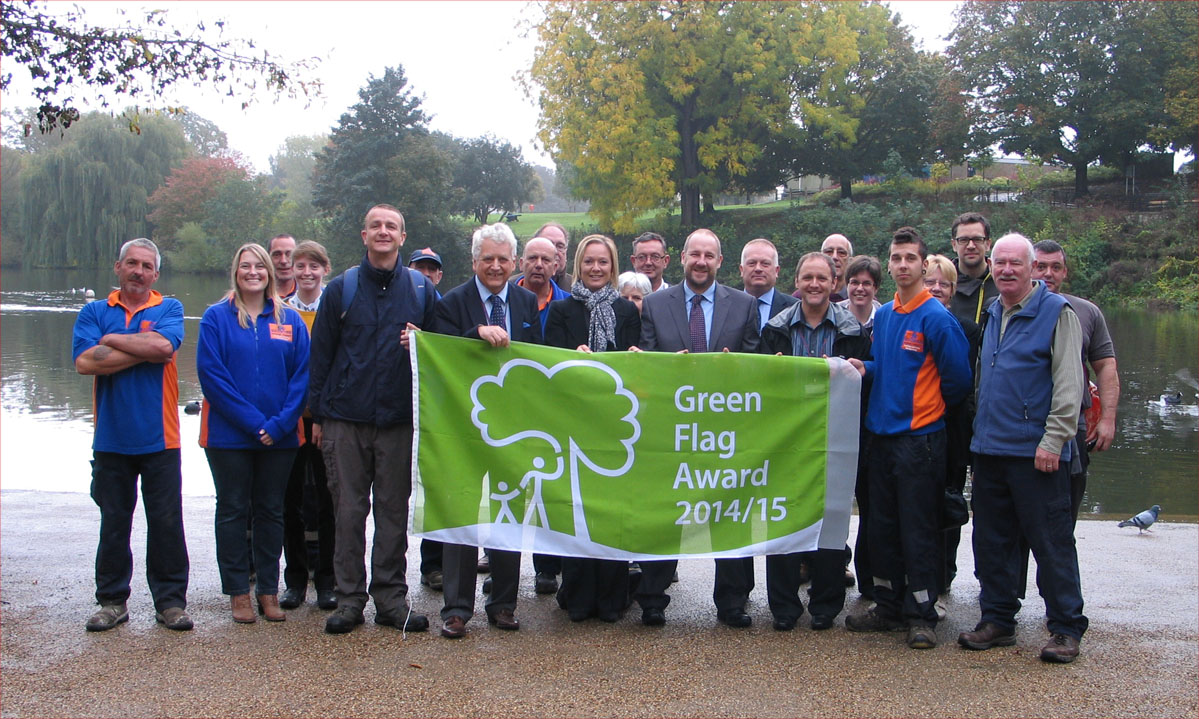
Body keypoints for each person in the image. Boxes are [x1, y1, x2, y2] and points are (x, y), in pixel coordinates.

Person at [308, 204, 439, 635]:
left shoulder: (421, 290)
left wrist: (421, 344)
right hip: (346, 418)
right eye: (376, 226)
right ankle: (349, 600)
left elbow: (442, 354)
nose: (383, 232)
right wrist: (317, 416)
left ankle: (390, 598)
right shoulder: (340, 289)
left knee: (392, 513)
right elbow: (320, 356)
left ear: (403, 237)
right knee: (347, 512)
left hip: (400, 420)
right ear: (364, 235)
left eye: (392, 227)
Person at [957, 233, 1087, 664]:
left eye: (1017, 263)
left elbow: (1070, 385)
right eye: (1002, 263)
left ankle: (1066, 627)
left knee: (1051, 544)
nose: (1008, 270)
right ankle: (997, 620)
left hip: (1038, 455)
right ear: (992, 266)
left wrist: (1054, 440)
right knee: (991, 543)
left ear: (1034, 268)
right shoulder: (995, 311)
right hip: (991, 450)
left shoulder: (1057, 313)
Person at [845, 227, 971, 650]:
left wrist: (926, 411)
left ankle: (921, 614)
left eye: (910, 259)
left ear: (923, 263)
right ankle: (887, 604)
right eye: (896, 258)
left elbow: (958, 381)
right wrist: (864, 367)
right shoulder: (884, 315)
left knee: (918, 528)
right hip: (879, 438)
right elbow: (888, 365)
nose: (902, 265)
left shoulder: (936, 316)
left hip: (919, 441)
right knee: (880, 526)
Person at [638, 228, 760, 627]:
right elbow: (646, 366)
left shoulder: (743, 305)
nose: (702, 261)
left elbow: (756, 365)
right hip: (671, 431)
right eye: (695, 254)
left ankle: (732, 601)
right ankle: (653, 598)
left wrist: (735, 368)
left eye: (710, 255)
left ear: (720, 262)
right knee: (664, 511)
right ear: (683, 257)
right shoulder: (655, 304)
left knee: (730, 512)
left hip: (724, 433)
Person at [72, 238, 192, 632]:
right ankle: (111, 600)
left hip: (161, 437)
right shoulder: (94, 310)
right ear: (118, 267)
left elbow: (163, 346)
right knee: (114, 523)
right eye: (132, 264)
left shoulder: (169, 308)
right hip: (110, 438)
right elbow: (86, 363)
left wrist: (109, 341)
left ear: (156, 274)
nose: (139, 272)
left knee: (166, 524)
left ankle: (171, 603)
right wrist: (143, 350)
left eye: (146, 266)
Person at [433, 223, 543, 639]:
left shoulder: (526, 302)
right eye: (487, 259)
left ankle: (503, 604)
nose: (496, 267)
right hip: (462, 426)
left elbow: (536, 359)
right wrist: (472, 335)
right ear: (474, 261)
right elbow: (438, 351)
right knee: (460, 511)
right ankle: (457, 609)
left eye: (503, 259)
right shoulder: (451, 303)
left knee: (509, 511)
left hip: (513, 428)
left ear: (513, 262)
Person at [197, 243, 310, 623]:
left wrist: (278, 425)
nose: (253, 272)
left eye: (259, 266)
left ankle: (267, 590)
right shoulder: (216, 318)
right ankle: (237, 593)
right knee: (231, 511)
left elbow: (302, 377)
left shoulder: (290, 320)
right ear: (236, 271)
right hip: (229, 437)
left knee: (270, 512)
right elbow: (213, 377)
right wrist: (253, 423)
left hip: (280, 438)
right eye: (245, 266)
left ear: (270, 273)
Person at [759, 252, 870, 631]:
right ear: (797, 282)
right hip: (786, 437)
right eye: (808, 277)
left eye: (822, 278)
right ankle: (784, 606)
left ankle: (825, 604)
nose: (815, 285)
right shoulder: (774, 330)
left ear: (834, 284)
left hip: (834, 435)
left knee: (833, 518)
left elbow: (864, 383)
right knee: (782, 516)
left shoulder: (854, 331)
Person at [544, 234, 642, 622]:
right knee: (576, 509)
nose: (596, 268)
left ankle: (613, 596)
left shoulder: (627, 312)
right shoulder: (562, 311)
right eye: (589, 262)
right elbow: (548, 364)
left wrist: (636, 359)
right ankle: (578, 593)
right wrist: (572, 358)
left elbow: (640, 369)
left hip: (616, 427)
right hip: (573, 425)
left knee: (613, 512)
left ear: (613, 266)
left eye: (603, 262)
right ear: (579, 266)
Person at [1032, 239, 1120, 518]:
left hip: (1074, 424)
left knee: (1065, 510)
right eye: (1041, 266)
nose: (1048, 273)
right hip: (1023, 423)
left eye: (1055, 267)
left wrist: (1107, 418)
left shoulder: (1087, 312)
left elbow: (1105, 365)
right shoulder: (1005, 308)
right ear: (1028, 268)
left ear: (1065, 272)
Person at [278, 241, 337, 612]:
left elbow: (335, 364)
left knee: (330, 501)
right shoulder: (280, 312)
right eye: (300, 266)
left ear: (325, 269)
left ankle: (328, 580)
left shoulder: (334, 308)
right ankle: (295, 580)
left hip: (324, 419)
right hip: (288, 420)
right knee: (290, 503)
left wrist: (321, 415)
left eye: (314, 266)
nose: (306, 272)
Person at [923, 254, 982, 603]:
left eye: (944, 284)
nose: (936, 289)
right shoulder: (905, 323)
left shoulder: (968, 330)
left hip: (953, 430)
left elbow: (964, 382)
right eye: (930, 281)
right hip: (915, 429)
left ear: (953, 290)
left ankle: (944, 574)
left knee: (950, 501)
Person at [834, 254, 882, 598]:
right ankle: (837, 563)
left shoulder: (888, 318)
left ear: (876, 288)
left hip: (870, 423)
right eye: (854, 282)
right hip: (837, 421)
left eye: (867, 283)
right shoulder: (836, 320)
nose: (860, 288)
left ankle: (871, 578)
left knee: (870, 506)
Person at [948, 212, 998, 324]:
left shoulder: (1001, 282)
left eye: (977, 239)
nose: (971, 246)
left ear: (988, 244)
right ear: (954, 245)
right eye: (963, 240)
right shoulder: (940, 284)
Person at [517, 236, 570, 338]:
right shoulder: (503, 301)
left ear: (554, 268)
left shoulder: (569, 305)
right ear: (521, 264)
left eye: (545, 260)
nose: (539, 265)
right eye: (532, 258)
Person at [739, 238, 797, 330]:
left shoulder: (794, 308)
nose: (758, 268)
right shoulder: (726, 307)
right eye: (752, 263)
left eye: (765, 264)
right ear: (741, 270)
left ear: (776, 270)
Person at [536, 221, 574, 289]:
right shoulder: (514, 287)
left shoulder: (577, 289)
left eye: (560, 246)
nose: (555, 251)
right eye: (548, 244)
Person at [821, 234, 854, 302]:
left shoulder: (861, 299)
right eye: (829, 252)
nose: (834, 257)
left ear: (850, 261)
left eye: (841, 252)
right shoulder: (803, 297)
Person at [269, 234, 298, 299]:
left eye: (289, 254)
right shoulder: (259, 296)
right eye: (277, 255)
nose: (283, 261)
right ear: (268, 259)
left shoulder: (315, 295)